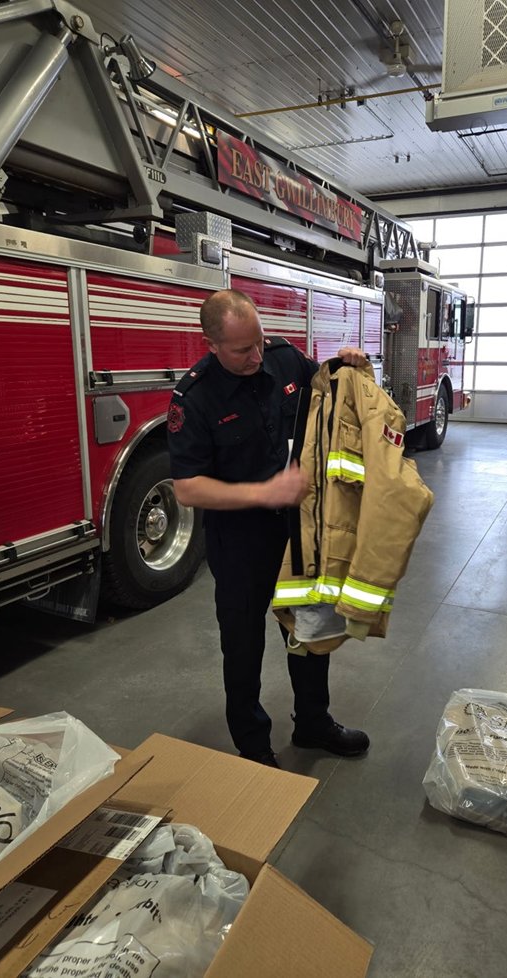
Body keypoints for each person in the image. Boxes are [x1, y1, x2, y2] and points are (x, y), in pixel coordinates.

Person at [168, 289, 370, 767]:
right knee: (242, 646)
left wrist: (345, 364)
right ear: (211, 344)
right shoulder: (194, 397)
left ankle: (314, 723)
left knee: (308, 629)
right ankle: (253, 744)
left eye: (258, 342)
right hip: (239, 541)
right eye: (242, 350)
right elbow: (188, 488)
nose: (256, 356)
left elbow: (324, 385)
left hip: (296, 531)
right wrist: (264, 493)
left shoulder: (281, 358)